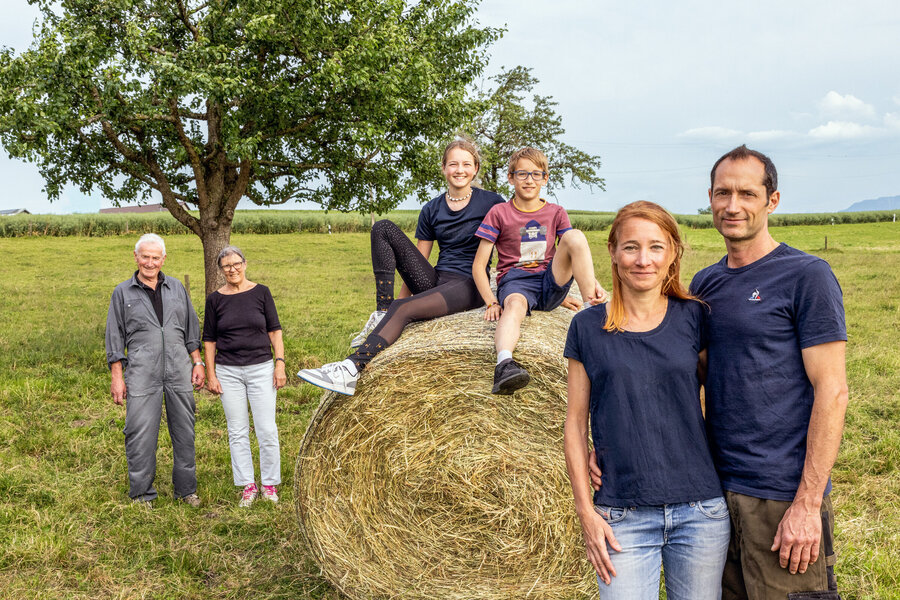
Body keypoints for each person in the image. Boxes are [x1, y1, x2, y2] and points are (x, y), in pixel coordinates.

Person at [591, 146, 848, 599]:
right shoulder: (707, 284)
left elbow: (832, 391)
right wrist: (610, 443)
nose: (733, 205)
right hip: (712, 492)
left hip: (779, 492)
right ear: (709, 198)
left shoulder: (806, 276)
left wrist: (807, 503)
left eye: (747, 193)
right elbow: (676, 372)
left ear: (773, 200)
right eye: (723, 193)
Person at [564, 201, 729, 598]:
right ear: (613, 252)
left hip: (700, 510)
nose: (643, 260)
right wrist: (587, 513)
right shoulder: (587, 327)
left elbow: (721, 396)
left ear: (672, 254)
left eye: (656, 247)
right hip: (622, 514)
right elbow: (574, 422)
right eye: (631, 247)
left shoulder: (695, 317)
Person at [297, 138, 506, 395]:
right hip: (438, 278)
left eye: (466, 164)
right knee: (382, 227)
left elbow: (511, 243)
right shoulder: (432, 208)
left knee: (404, 308)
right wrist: (395, 303)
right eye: (453, 164)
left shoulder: (493, 202)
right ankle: (382, 311)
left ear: (475, 169)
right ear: (443, 168)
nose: (459, 170)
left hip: (469, 284)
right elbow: (418, 261)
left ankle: (351, 368)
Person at [472, 146, 604, 394]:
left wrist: (588, 285)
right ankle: (504, 364)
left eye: (536, 174)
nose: (529, 180)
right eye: (522, 174)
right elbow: (479, 266)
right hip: (516, 281)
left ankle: (594, 317)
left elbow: (573, 251)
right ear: (511, 178)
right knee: (514, 307)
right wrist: (491, 302)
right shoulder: (499, 212)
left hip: (549, 280)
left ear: (545, 178)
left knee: (574, 236)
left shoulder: (556, 212)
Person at [105, 233, 205, 507]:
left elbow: (191, 330)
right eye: (145, 257)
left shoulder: (176, 288)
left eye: (155, 257)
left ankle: (186, 491)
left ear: (163, 259)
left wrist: (197, 362)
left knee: (185, 431)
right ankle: (141, 493)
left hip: (178, 369)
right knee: (139, 431)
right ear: (135, 257)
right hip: (141, 371)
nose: (150, 263)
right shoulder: (122, 292)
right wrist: (117, 377)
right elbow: (115, 338)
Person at [203, 246, 285, 507]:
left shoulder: (261, 292)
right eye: (226, 266)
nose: (232, 269)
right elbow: (209, 340)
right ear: (220, 270)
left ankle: (269, 485)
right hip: (228, 372)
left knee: (267, 429)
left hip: (261, 368)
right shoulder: (215, 299)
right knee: (237, 430)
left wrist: (279, 364)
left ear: (245, 264)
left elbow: (275, 331)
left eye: (236, 263)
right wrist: (211, 374)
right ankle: (247, 486)